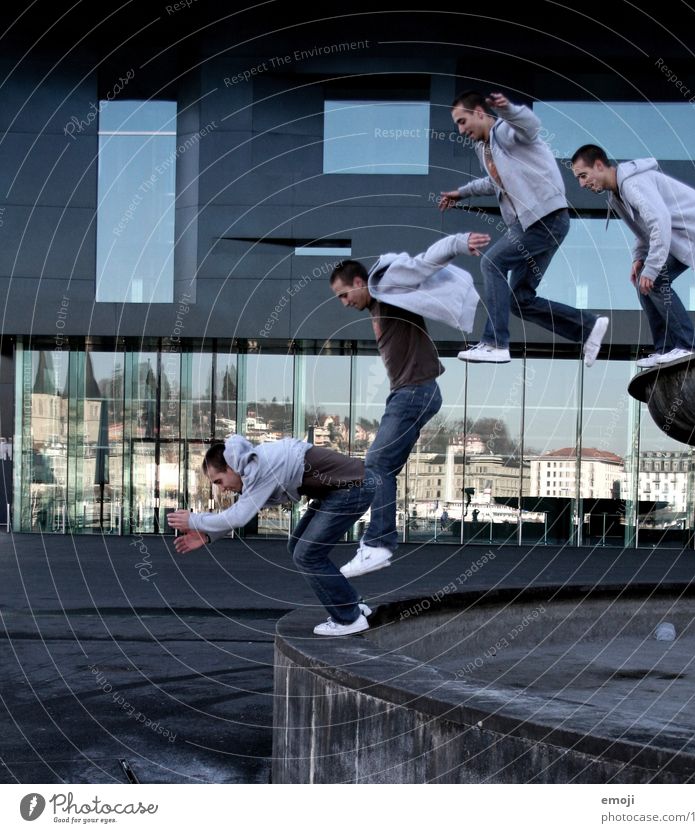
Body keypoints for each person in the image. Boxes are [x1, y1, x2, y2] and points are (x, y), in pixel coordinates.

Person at [329, 231, 488, 577]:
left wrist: (459, 243)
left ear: (359, 281)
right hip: (410, 392)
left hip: (415, 391)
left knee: (376, 463)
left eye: (344, 294)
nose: (343, 303)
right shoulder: (376, 304)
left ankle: (378, 544)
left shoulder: (387, 286)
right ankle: (378, 542)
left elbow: (424, 262)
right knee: (384, 469)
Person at [440, 90, 609, 366]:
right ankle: (588, 326)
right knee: (520, 299)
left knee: (492, 263)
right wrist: (461, 193)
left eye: (462, 121)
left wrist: (507, 109)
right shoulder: (484, 149)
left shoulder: (506, 132)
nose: (460, 130)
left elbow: (531, 125)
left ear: (480, 113)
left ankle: (495, 342)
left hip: (544, 218)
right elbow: (493, 182)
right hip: (539, 223)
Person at [167, 435, 377, 636]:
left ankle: (349, 618)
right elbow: (243, 511)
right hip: (335, 493)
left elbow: (239, 516)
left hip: (352, 489)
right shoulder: (252, 468)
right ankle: (353, 606)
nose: (222, 489)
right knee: (297, 547)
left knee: (307, 555)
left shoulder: (260, 466)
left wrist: (195, 520)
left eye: (219, 481)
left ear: (230, 468)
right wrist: (207, 535)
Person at [570, 144, 695, 368]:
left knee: (656, 280)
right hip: (678, 232)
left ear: (599, 165)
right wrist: (639, 259)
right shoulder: (616, 196)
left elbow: (660, 221)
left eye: (584, 175)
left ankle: (689, 346)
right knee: (644, 283)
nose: (582, 184)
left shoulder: (632, 184)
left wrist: (652, 268)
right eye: (578, 179)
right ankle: (666, 349)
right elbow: (644, 231)